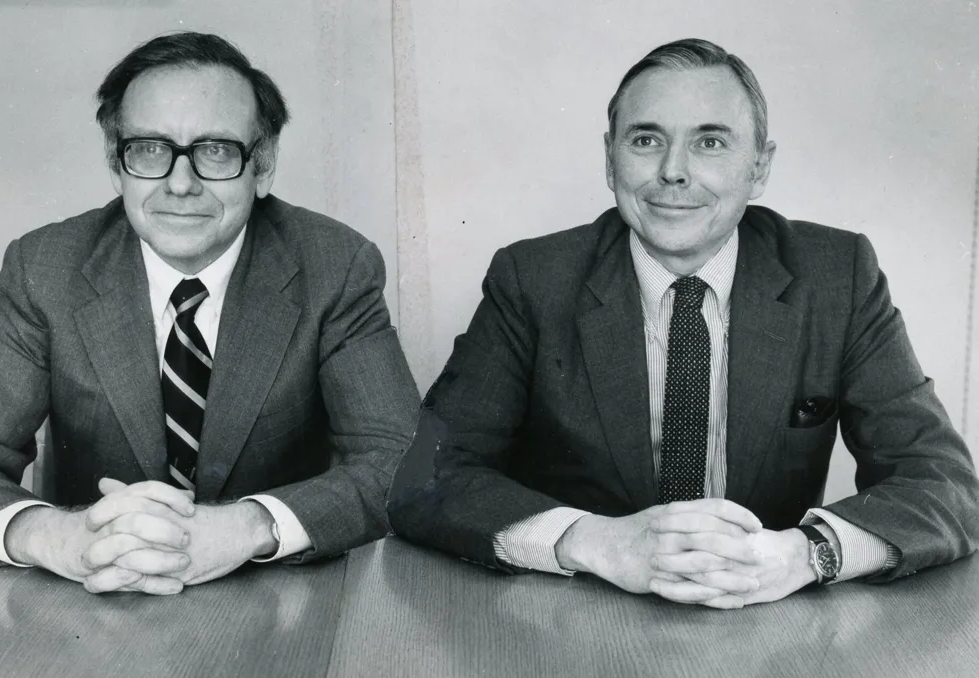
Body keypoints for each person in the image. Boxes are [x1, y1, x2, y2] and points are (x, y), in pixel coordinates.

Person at [387, 38, 979, 609]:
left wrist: (805, 555)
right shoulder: (533, 279)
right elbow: (425, 477)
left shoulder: (837, 276)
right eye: (646, 140)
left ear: (760, 167)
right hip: (574, 613)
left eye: (710, 143)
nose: (673, 171)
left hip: (765, 620)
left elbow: (944, 484)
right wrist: (591, 542)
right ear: (610, 158)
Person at [0, 32, 419, 595]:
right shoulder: (46, 267)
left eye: (216, 150)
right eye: (149, 149)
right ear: (115, 164)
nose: (180, 184)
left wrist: (251, 526)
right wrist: (53, 536)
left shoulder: (335, 265)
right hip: (93, 600)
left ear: (262, 166)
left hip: (278, 595)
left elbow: (401, 460)